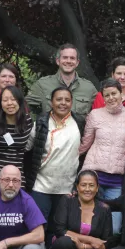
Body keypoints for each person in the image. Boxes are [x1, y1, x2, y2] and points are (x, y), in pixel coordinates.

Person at [27, 87, 85, 237]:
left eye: (67, 100)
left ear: (72, 102)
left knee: (60, 230)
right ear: (51, 102)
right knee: (39, 227)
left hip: (66, 187)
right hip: (41, 185)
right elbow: (27, 148)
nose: (63, 103)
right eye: (59, 99)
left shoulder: (79, 122)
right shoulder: (41, 122)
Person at [79, 79, 125, 232]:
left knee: (114, 228)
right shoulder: (95, 115)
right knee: (88, 224)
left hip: (117, 179)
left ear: (121, 94)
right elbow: (85, 143)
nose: (111, 98)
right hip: (93, 176)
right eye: (106, 95)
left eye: (114, 93)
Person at [49, 171, 113, 249]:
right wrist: (91, 240)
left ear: (97, 188)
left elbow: (105, 241)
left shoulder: (104, 209)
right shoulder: (67, 201)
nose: (87, 189)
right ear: (77, 187)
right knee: (64, 242)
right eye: (83, 185)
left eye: (91, 185)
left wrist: (83, 246)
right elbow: (60, 230)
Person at [0, 86, 34, 195]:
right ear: (0, 103)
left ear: (20, 101)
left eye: (13, 99)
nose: (9, 103)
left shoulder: (28, 121)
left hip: (16, 175)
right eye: (5, 100)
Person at [25, 43, 97, 116]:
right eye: (65, 57)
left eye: (72, 58)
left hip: (78, 127)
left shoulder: (89, 88)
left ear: (77, 63)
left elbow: (102, 113)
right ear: (58, 61)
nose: (68, 61)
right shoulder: (42, 85)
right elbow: (23, 108)